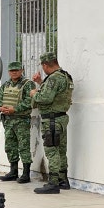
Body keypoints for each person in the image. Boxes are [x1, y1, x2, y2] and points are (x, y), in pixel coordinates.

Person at [30, 52, 74, 194]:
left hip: (52, 120)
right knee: (61, 150)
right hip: (61, 118)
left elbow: (46, 98)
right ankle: (63, 180)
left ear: (45, 65)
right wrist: (41, 83)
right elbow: (56, 93)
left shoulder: (54, 78)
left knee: (52, 150)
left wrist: (34, 94)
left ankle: (53, 183)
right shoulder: (65, 76)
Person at [0, 61, 36, 183]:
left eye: (16, 70)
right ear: (9, 72)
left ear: (21, 71)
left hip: (21, 120)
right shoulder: (6, 85)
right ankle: (13, 172)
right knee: (10, 146)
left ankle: (26, 173)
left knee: (23, 147)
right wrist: (0, 108)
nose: (14, 72)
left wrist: (15, 109)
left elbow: (30, 101)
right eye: (11, 71)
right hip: (8, 121)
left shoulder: (28, 84)